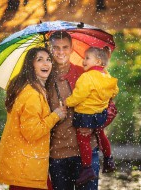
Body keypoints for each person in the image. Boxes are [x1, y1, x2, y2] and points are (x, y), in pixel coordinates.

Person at [0, 47, 67, 190]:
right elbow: (32, 132)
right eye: (40, 60)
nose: (46, 64)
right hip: (27, 169)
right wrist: (55, 116)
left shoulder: (34, 90)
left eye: (48, 60)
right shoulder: (32, 94)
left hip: (28, 166)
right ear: (31, 65)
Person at [47, 31, 100, 190]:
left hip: (86, 152)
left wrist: (92, 124)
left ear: (71, 49)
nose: (61, 52)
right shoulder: (44, 77)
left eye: (65, 47)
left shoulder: (86, 74)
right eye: (56, 48)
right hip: (57, 154)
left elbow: (108, 108)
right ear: (50, 49)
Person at [65, 46, 119, 185]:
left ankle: (87, 168)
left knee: (83, 140)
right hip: (100, 114)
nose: (83, 61)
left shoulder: (86, 77)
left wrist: (67, 102)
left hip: (86, 114)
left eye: (87, 58)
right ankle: (108, 159)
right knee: (101, 135)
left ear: (98, 61)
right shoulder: (106, 75)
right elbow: (114, 90)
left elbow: (79, 95)